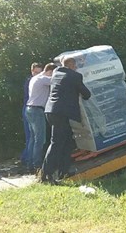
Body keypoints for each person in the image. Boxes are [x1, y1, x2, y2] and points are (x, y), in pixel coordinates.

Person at [41, 56, 91, 185]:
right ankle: (46, 174)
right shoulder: (75, 76)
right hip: (61, 113)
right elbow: (87, 94)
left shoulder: (56, 73)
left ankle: (63, 171)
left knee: (68, 141)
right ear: (71, 66)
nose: (76, 68)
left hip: (51, 111)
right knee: (56, 143)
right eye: (75, 66)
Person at [25, 63, 57, 174]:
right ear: (50, 72)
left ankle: (30, 164)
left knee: (33, 139)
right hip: (37, 110)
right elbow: (58, 81)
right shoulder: (43, 79)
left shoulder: (35, 78)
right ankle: (37, 166)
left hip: (30, 109)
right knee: (40, 139)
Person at [21, 62, 42, 167]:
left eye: (40, 72)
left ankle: (28, 160)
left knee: (32, 137)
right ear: (32, 71)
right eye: (36, 72)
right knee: (32, 137)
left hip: (28, 108)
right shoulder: (32, 81)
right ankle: (29, 160)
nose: (38, 74)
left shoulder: (31, 80)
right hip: (31, 108)